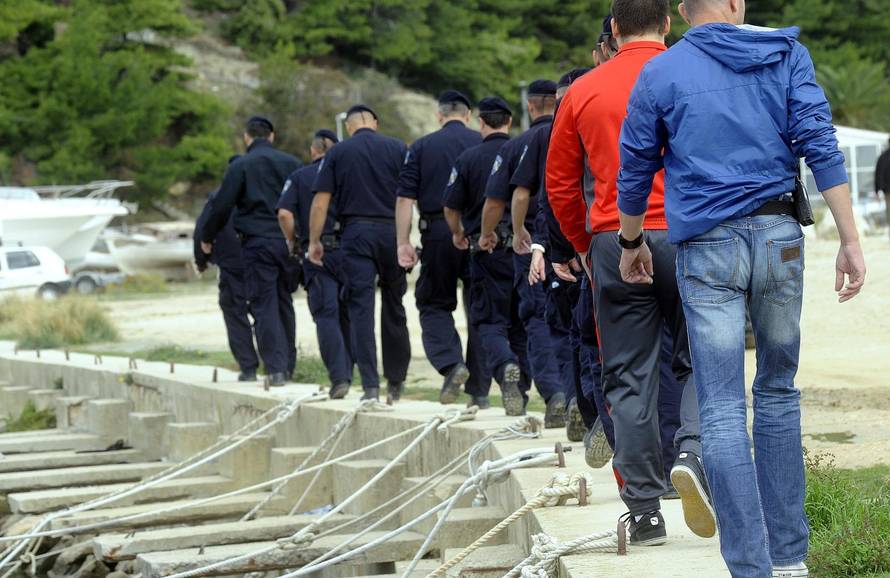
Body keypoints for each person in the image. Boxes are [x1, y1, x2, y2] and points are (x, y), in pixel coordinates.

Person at [616, 0, 867, 575]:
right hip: (780, 235)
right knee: (779, 391)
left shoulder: (661, 71)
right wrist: (850, 239)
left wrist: (631, 244)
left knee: (723, 406)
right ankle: (790, 561)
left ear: (682, 12)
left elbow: (633, 168)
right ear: (736, 5)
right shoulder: (786, 54)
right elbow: (820, 145)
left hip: (706, 248)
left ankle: (750, 567)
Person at [547, 0, 710, 546]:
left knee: (628, 375)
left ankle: (643, 510)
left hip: (616, 239)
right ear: (667, 24)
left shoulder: (582, 91)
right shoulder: (695, 73)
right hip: (691, 234)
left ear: (614, 30)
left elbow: (562, 184)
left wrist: (582, 243)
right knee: (701, 358)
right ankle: (692, 451)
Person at [479, 80, 569, 427]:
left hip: (534, 242)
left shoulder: (520, 144)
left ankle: (555, 394)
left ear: (531, 107)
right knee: (575, 324)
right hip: (578, 239)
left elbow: (504, 198)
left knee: (537, 319)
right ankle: (579, 396)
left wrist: (507, 233)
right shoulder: (572, 130)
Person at [309, 105, 411, 402]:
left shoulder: (338, 153)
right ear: (375, 123)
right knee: (394, 304)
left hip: (356, 233)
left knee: (360, 309)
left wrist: (315, 241)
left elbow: (320, 202)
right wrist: (405, 238)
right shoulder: (397, 148)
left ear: (350, 126)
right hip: (391, 231)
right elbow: (407, 197)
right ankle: (396, 379)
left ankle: (370, 386)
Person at [395, 90, 489, 405]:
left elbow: (405, 199)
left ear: (439, 115)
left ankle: (452, 364)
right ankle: (480, 391)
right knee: (479, 308)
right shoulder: (481, 143)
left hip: (436, 233)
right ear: (468, 114)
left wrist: (403, 242)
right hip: (479, 233)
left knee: (433, 303)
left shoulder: (421, 147)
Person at [201, 117, 301, 387]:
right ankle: (289, 365)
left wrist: (207, 237)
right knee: (284, 302)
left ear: (247, 138)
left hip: (258, 242)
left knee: (264, 304)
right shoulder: (292, 163)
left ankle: (276, 369)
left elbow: (221, 207)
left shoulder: (242, 165)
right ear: (271, 136)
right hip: (289, 241)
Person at [443, 97, 526, 413]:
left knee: (489, 320)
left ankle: (505, 367)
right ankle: (520, 390)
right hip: (522, 248)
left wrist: (459, 232)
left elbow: (450, 206)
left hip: (486, 248)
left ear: (481, 122)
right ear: (509, 121)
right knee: (521, 323)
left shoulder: (468, 158)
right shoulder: (523, 151)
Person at [277, 130, 353, 398]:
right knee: (351, 314)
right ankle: (359, 376)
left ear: (313, 151)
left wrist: (293, 241)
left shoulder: (300, 177)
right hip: (351, 251)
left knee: (326, 316)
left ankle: (340, 377)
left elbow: (285, 214)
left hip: (318, 252)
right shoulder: (348, 172)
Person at [194, 156, 260, 382]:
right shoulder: (262, 194)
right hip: (261, 262)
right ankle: (278, 366)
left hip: (231, 265)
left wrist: (202, 260)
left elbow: (202, 229)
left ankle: (249, 367)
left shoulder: (218, 197)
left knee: (234, 313)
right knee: (266, 311)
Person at [876, 137, 890, 240]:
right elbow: (879, 174)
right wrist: (877, 190)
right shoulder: (883, 157)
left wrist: (877, 190)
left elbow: (878, 175)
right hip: (887, 191)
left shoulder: (883, 157)